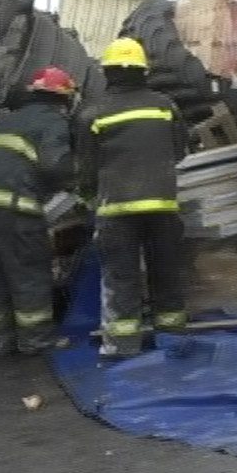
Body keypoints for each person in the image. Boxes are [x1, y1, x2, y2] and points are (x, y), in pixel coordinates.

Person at [76, 37, 188, 357]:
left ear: (107, 71)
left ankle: (124, 345)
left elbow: (86, 166)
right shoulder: (165, 106)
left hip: (116, 209)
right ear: (143, 71)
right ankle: (174, 338)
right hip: (163, 206)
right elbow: (179, 151)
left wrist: (87, 197)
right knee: (166, 271)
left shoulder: (93, 112)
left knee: (122, 277)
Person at [0, 66, 77, 356]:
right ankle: (35, 340)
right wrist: (78, 181)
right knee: (28, 271)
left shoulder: (2, 123)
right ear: (65, 100)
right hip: (12, 207)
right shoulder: (53, 122)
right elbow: (55, 166)